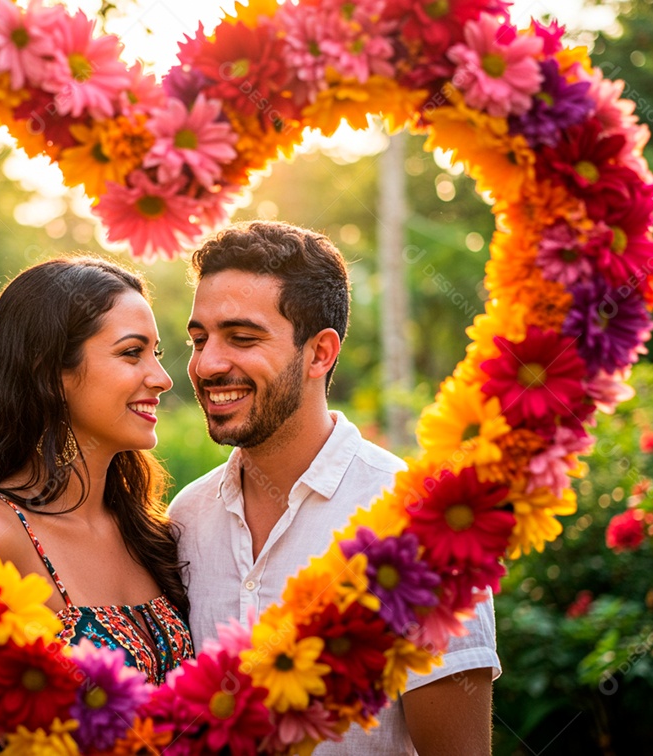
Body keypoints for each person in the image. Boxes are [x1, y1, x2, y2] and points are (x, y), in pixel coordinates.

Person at [168, 221, 499, 755]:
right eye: (199, 339)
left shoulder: (418, 526)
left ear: (320, 353)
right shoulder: (186, 518)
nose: (206, 364)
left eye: (242, 338)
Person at [0, 257, 194, 755]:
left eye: (155, 353)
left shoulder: (148, 531)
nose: (162, 378)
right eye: (131, 353)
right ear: (50, 374)